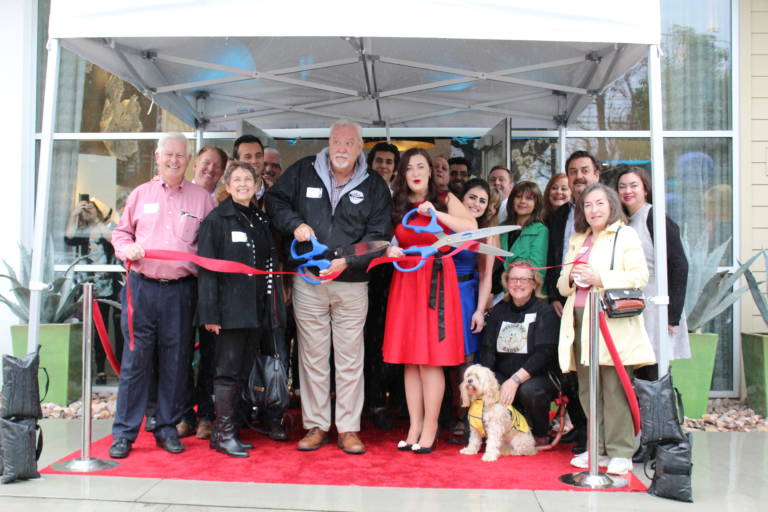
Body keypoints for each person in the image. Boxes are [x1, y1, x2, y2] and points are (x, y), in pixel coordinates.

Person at [266, 119, 392, 455]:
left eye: (349, 143)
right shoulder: (303, 171)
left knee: (350, 359)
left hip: (352, 283)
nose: (341, 148)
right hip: (309, 280)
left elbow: (379, 236)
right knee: (312, 356)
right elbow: (276, 202)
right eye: (337, 141)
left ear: (360, 147)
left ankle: (348, 428)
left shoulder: (375, 185)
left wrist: (348, 260)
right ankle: (317, 425)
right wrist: (295, 224)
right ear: (329, 142)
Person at [108, 133, 216, 459]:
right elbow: (120, 233)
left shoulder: (202, 199)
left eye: (180, 155)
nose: (174, 160)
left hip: (181, 292)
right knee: (135, 361)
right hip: (141, 288)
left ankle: (167, 427)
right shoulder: (140, 194)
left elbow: (213, 244)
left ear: (188, 160)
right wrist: (127, 248)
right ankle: (124, 433)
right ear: (157, 157)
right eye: (168, 154)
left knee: (176, 362)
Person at [557, 183, 655, 475]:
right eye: (587, 205)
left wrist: (600, 277)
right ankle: (596, 447)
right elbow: (562, 284)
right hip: (579, 319)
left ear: (611, 205)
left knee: (614, 388)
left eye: (599, 203)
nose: (594, 210)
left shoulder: (625, 235)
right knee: (588, 389)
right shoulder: (578, 239)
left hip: (610, 321)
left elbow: (639, 277)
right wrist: (572, 278)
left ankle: (621, 451)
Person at [383, 148, 476, 454]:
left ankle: (431, 427)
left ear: (430, 171)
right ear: (403, 174)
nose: (415, 173)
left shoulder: (445, 198)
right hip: (406, 279)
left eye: (421, 166)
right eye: (409, 168)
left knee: (429, 357)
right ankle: (414, 426)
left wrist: (436, 214)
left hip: (436, 279)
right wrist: (389, 249)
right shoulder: (396, 203)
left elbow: (471, 228)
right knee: (410, 358)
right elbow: (385, 238)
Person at [197, 161, 283, 457]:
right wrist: (210, 314)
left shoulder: (259, 219)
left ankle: (225, 431)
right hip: (228, 312)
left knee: (242, 371)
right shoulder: (217, 220)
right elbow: (207, 271)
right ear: (228, 185)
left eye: (249, 179)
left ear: (257, 185)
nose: (244, 184)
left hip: (254, 310)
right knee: (227, 373)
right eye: (237, 179)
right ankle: (224, 433)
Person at [615, 166, 690, 377]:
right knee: (640, 371)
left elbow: (679, 264)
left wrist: (672, 315)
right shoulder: (625, 221)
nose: (627, 191)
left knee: (655, 372)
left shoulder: (654, 218)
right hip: (634, 306)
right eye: (622, 186)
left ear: (645, 189)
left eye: (633, 185)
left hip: (657, 306)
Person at [177, 145, 229, 439]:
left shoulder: (222, 202)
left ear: (222, 173)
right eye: (206, 163)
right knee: (181, 352)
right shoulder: (179, 195)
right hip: (184, 285)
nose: (210, 169)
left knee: (211, 355)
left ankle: (207, 415)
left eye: (216, 166)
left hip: (212, 288)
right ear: (195, 164)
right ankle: (185, 414)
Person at [478, 262, 559, 446]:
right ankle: (498, 432)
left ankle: (540, 432)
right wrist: (488, 380)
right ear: (506, 282)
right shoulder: (499, 310)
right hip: (503, 372)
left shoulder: (544, 311)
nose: (518, 284)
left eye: (524, 279)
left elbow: (544, 353)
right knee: (486, 384)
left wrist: (515, 380)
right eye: (513, 279)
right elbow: (487, 348)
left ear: (534, 284)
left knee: (529, 390)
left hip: (536, 376)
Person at [64, 197, 120, 385]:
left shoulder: (107, 226)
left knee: (109, 329)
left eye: (91, 207)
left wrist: (96, 220)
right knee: (91, 328)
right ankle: (92, 370)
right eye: (85, 208)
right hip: (87, 286)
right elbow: (69, 238)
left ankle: (111, 369)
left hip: (108, 285)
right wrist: (74, 215)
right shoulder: (81, 232)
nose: (88, 210)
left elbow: (113, 240)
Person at [546, 151, 601, 317]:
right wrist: (553, 296)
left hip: (599, 295)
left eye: (585, 171)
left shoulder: (610, 210)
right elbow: (552, 257)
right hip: (565, 296)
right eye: (573, 172)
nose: (579, 176)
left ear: (596, 175)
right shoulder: (559, 214)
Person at [500, 181, 549, 274]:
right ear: (512, 200)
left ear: (536, 204)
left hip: (522, 282)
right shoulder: (501, 228)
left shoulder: (540, 230)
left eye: (529, 198)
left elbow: (537, 269)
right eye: (518, 197)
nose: (522, 201)